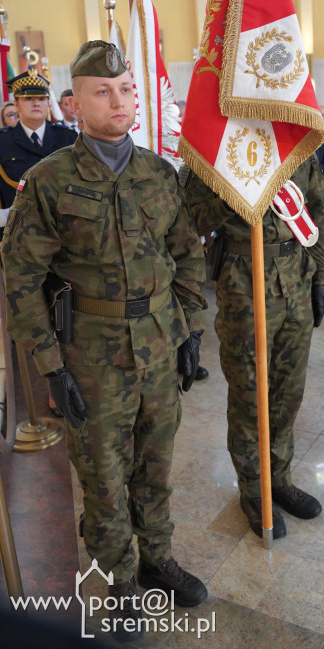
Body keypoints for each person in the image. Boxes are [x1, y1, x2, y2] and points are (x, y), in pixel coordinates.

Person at [2, 41, 208, 641]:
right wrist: (50, 367)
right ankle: (117, 577)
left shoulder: (158, 173)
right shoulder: (48, 180)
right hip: (90, 355)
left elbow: (186, 256)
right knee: (102, 471)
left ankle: (156, 556)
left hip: (159, 344)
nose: (116, 101)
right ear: (77, 103)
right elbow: (22, 281)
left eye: (124, 90)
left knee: (156, 460)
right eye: (102, 91)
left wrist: (189, 327)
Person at [184, 156, 324, 539]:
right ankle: (254, 490)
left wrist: (321, 276)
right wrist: (234, 196)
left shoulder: (296, 147)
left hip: (296, 275)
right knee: (251, 395)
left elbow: (318, 210)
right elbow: (190, 220)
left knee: (288, 392)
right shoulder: (216, 152)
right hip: (245, 281)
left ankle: (279, 478)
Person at [0, 69, 76, 226]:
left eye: (41, 98)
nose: (36, 103)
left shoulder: (68, 138)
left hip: (63, 229)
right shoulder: (3, 141)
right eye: (28, 98)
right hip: (18, 231)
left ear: (48, 103)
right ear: (16, 104)